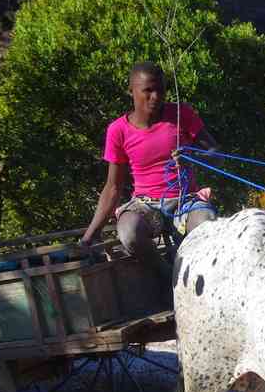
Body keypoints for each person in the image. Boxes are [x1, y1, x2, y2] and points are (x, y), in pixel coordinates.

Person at [81, 62, 220, 275]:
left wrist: (193, 157)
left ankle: (194, 279)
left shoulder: (181, 114)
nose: (156, 97)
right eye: (148, 90)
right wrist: (90, 235)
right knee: (129, 233)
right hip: (145, 205)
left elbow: (216, 154)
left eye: (161, 90)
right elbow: (113, 187)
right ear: (131, 91)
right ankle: (168, 278)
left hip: (186, 201)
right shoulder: (118, 130)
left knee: (206, 224)